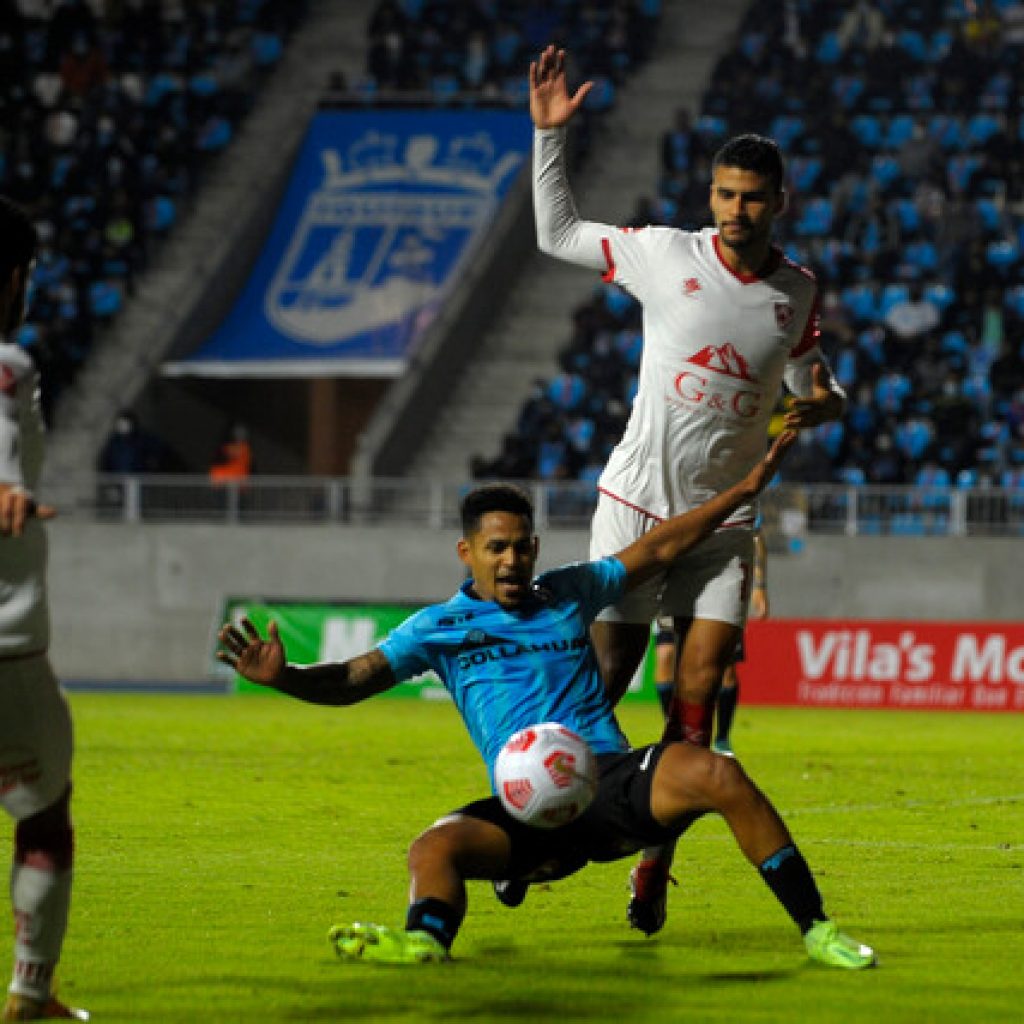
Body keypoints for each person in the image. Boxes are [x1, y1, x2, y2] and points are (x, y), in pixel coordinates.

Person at [217, 434, 875, 971]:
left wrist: (742, 491)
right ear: (466, 552)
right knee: (432, 850)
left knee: (719, 773)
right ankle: (425, 943)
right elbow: (351, 679)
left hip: (610, 783)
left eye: (521, 546)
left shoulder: (568, 591)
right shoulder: (435, 629)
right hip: (525, 808)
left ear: (535, 546)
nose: (511, 560)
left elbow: (660, 546)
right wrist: (285, 676)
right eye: (495, 548)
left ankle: (817, 930)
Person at [529, 44, 848, 933]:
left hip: (724, 522)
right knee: (602, 686)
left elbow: (809, 380)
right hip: (635, 509)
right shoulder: (664, 254)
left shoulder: (797, 292)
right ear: (710, 196)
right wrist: (548, 138)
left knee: (697, 705)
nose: (737, 210)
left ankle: (652, 864)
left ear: (779, 201)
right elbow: (556, 234)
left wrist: (825, 404)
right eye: (725, 195)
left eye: (753, 197)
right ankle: (540, 838)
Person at [0, 196, 87, 1021]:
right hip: (7, 654)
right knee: (44, 815)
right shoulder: (10, 365)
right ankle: (30, 990)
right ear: (15, 275)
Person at [649, 523, 767, 758]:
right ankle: (675, 733)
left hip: (722, 582)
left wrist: (759, 586)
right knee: (665, 658)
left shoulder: (728, 490)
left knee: (725, 669)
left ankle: (722, 740)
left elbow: (756, 536)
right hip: (676, 584)